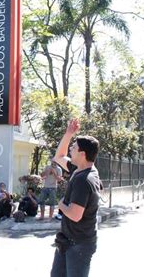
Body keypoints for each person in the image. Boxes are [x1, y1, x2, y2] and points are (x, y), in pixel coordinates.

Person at [51, 118, 101, 277]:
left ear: (82, 154)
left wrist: (61, 204)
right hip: (68, 241)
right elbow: (59, 156)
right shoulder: (79, 169)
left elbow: (75, 214)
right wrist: (69, 133)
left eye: (73, 147)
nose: (70, 149)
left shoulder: (83, 179)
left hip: (78, 245)